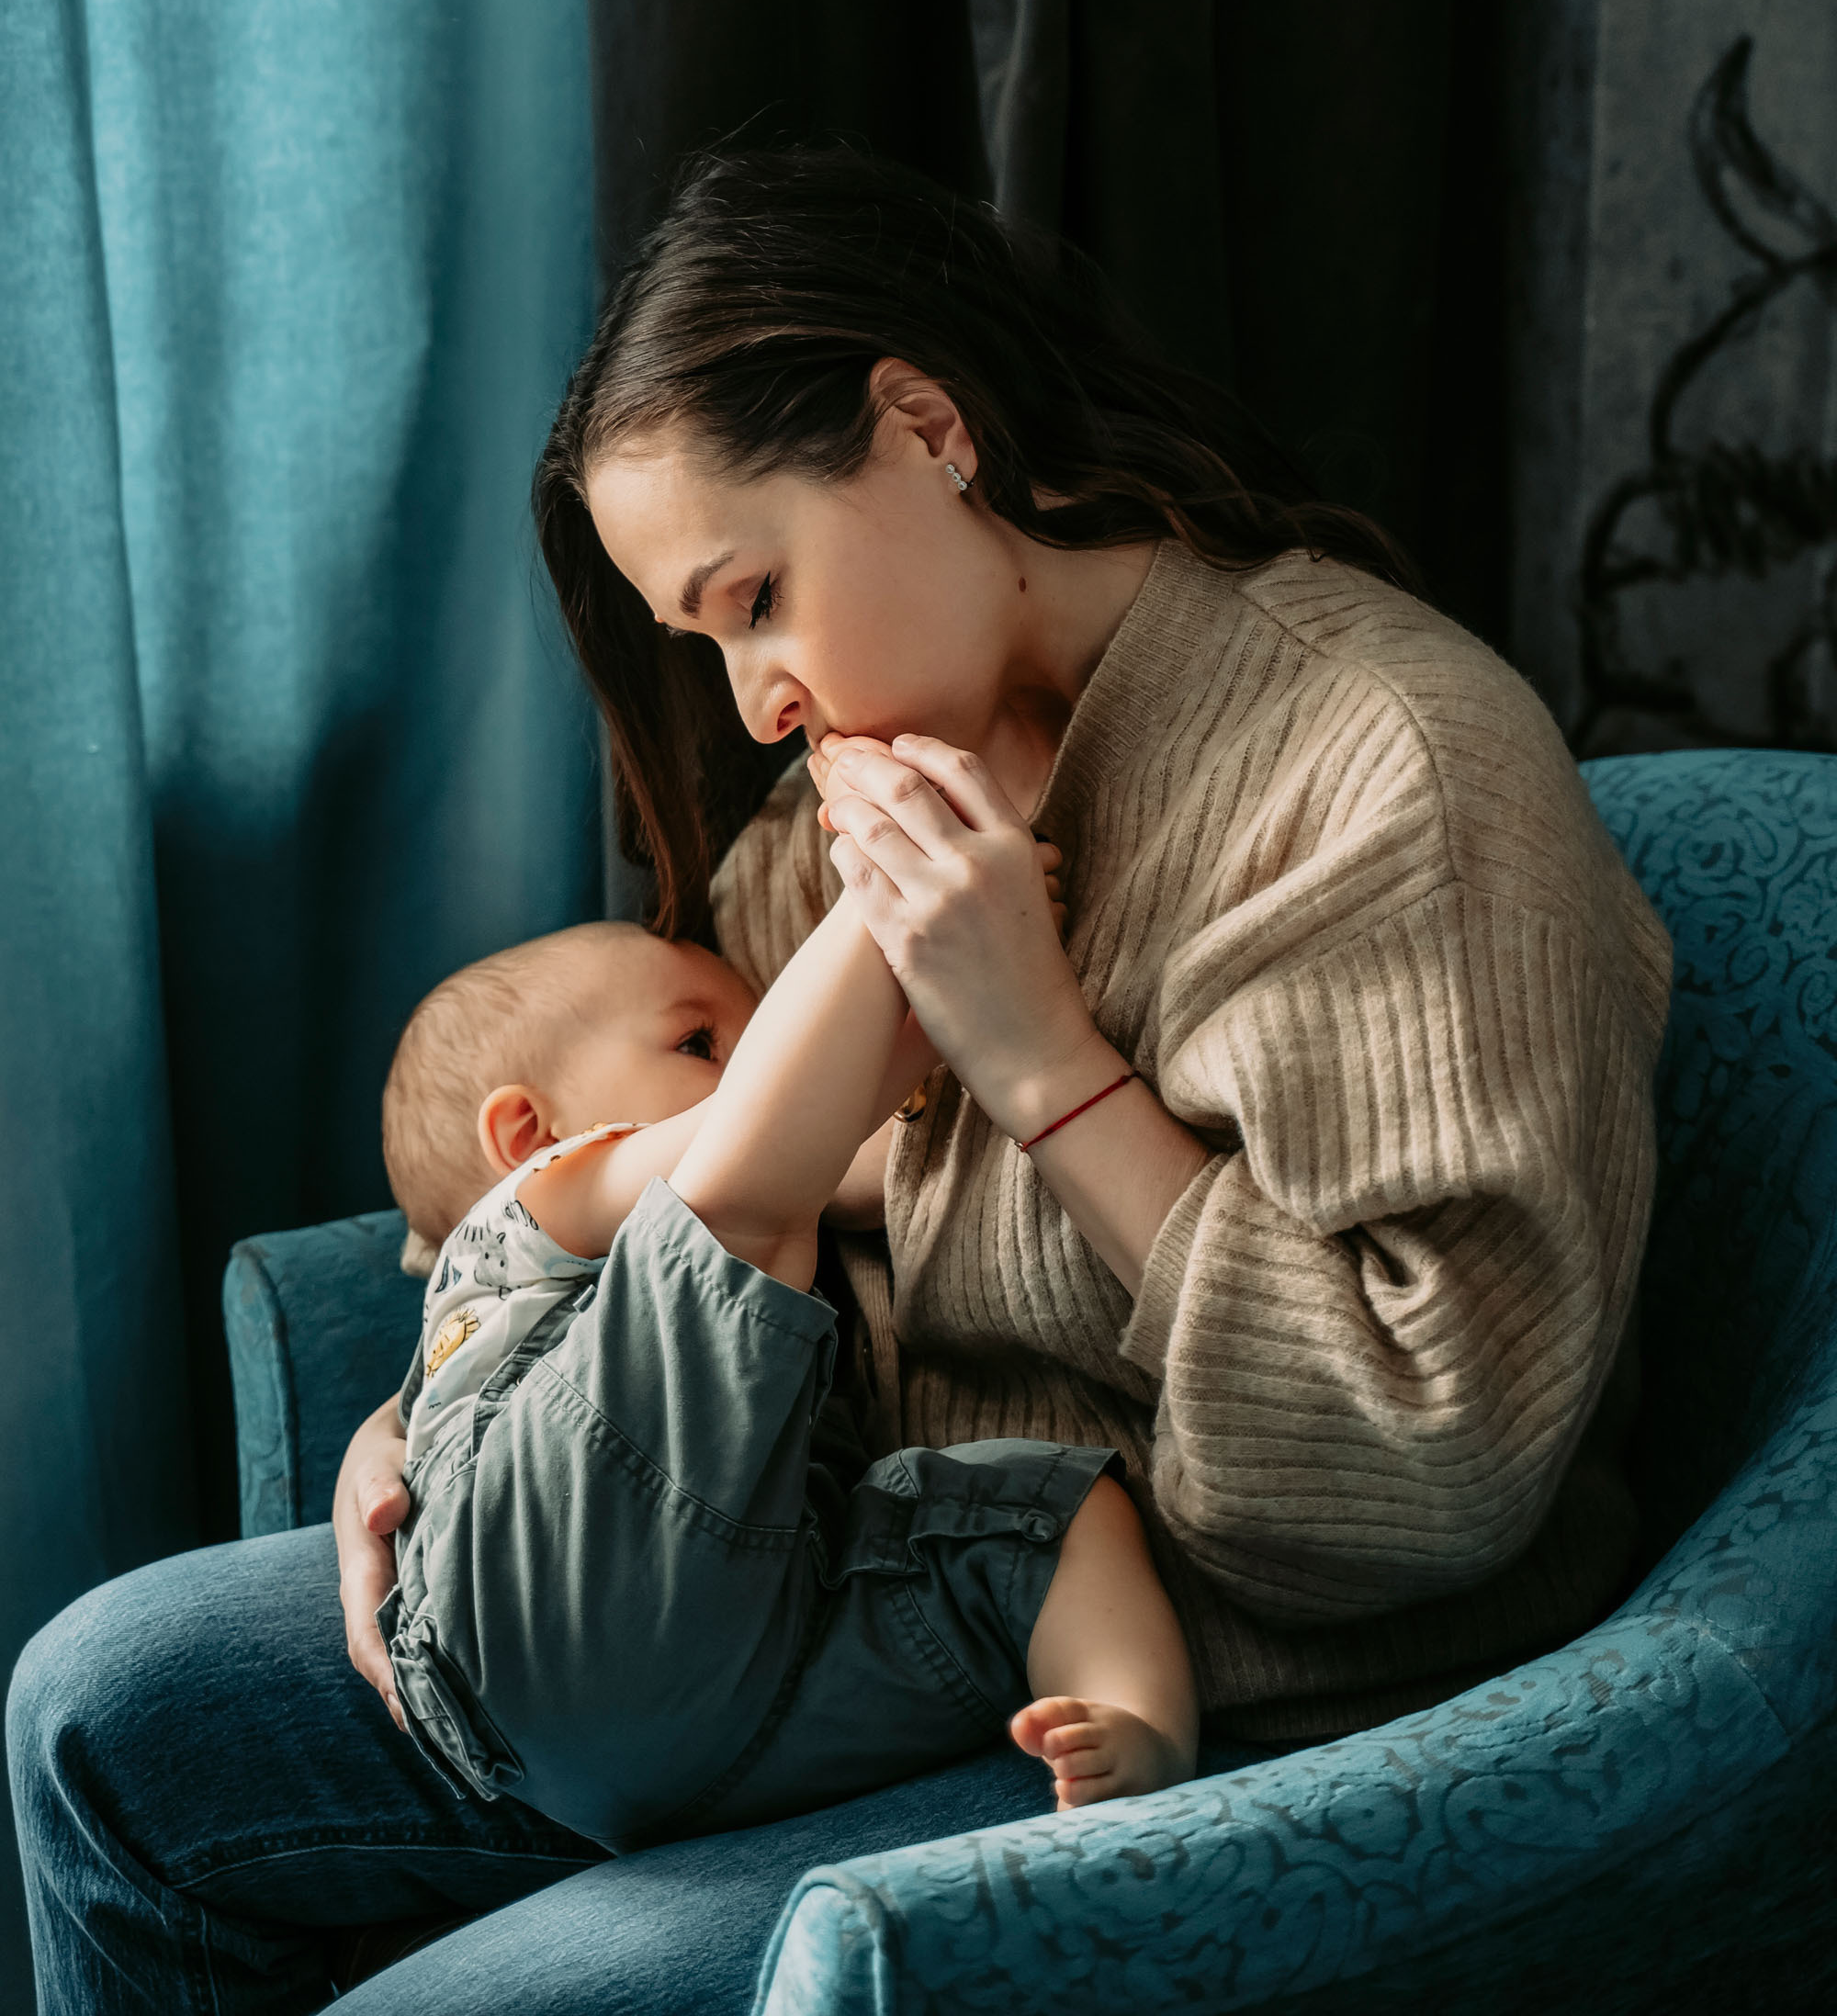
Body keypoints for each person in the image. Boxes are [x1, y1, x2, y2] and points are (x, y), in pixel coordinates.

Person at [6, 147, 1673, 2014]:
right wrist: (451, 1404)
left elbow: (1428, 1461)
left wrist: (1040, 1059)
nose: (755, 707)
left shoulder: (1383, 770)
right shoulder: (858, 789)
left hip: (1191, 1692)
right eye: (705, 640)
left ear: (925, 427)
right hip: (809, 1585)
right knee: (95, 1713)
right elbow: (667, 1169)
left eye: (756, 598)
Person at [378, 911, 1195, 1833]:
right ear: (529, 1128)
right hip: (528, 1594)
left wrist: (949, 1019)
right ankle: (890, 890)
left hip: (681, 1735)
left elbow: (824, 1132)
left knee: (1045, 1516)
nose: (753, 1056)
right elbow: (760, 1134)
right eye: (701, 1041)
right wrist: (901, 922)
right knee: (717, 1216)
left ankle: (1138, 1728)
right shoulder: (534, 1200)